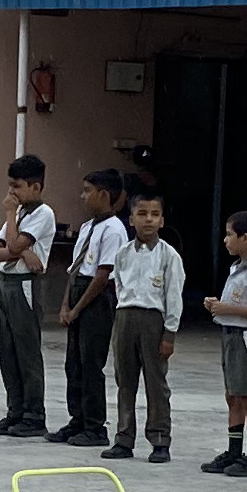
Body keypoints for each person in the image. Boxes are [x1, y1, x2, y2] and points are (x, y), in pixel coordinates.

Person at [103, 186, 187, 463]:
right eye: (142, 213)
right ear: (131, 219)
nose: (148, 219)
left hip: (154, 319)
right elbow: (118, 285)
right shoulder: (123, 253)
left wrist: (169, 333)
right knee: (125, 381)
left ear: (162, 220)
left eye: (154, 214)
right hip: (125, 317)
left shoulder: (169, 256)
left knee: (156, 383)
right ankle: (123, 438)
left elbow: (173, 296)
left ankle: (160, 439)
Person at [55, 168, 127, 444]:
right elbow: (75, 270)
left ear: (104, 194)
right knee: (73, 363)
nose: (83, 196)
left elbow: (102, 275)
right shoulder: (87, 227)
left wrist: (78, 308)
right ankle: (78, 419)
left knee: (91, 363)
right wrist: (66, 304)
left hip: (97, 298)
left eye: (88, 191)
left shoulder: (114, 230)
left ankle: (95, 426)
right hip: (78, 290)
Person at [203, 207, 247, 475]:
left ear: (245, 238)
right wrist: (217, 306)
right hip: (231, 335)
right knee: (232, 395)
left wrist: (228, 309)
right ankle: (234, 451)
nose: (225, 240)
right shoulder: (237, 268)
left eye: (229, 234)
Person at [0, 154, 56, 436]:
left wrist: (17, 243)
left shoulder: (42, 213)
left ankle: (34, 414)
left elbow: (14, 244)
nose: (11, 193)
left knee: (26, 351)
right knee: (7, 350)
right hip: (6, 281)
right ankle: (15, 409)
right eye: (10, 186)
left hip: (25, 284)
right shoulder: (20, 214)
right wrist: (23, 251)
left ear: (35, 187)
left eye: (17, 186)